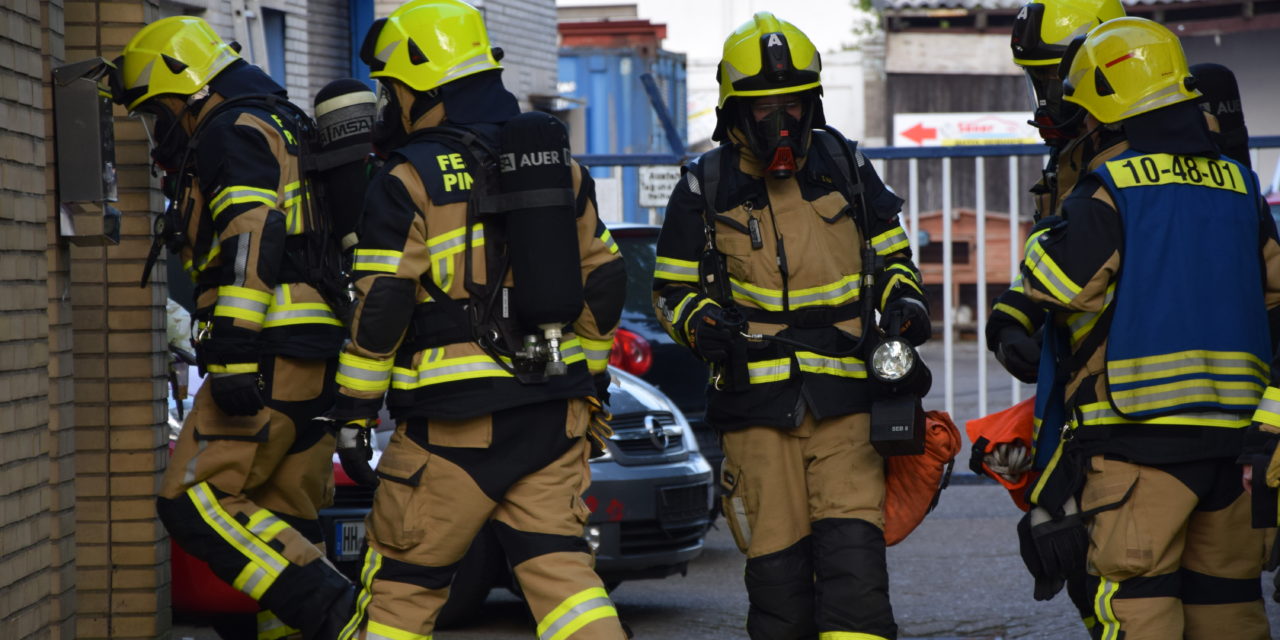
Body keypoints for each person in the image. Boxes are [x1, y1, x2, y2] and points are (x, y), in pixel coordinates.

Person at [329, 2, 628, 638]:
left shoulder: (407, 177)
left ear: (424, 85)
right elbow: (604, 280)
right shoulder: (558, 167)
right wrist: (589, 382)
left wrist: (354, 415)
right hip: (552, 418)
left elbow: (381, 304)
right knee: (568, 585)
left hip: (452, 430)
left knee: (401, 595)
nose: (390, 105)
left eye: (394, 90)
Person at [652, 12, 928, 639]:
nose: (785, 121)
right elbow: (670, 291)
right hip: (756, 410)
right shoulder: (705, 185)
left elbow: (893, 255)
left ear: (815, 104)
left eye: (796, 105)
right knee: (778, 582)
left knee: (855, 573)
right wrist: (701, 325)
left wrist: (905, 302)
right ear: (733, 113)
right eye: (766, 106)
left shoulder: (845, 166)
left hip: (846, 407)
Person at [1017, 17, 1279, 639]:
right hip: (1236, 446)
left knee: (1138, 603)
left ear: (1102, 112)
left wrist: (1048, 233)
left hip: (1139, 447)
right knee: (1229, 606)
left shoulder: (1113, 185)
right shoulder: (1241, 186)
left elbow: (1056, 284)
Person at [109, 15, 352, 640]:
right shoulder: (282, 120)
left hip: (268, 346)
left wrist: (237, 347)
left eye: (155, 111)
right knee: (283, 511)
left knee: (192, 503)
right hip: (315, 345)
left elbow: (252, 232)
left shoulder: (229, 130)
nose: (157, 129)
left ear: (184, 88)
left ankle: (341, 614)